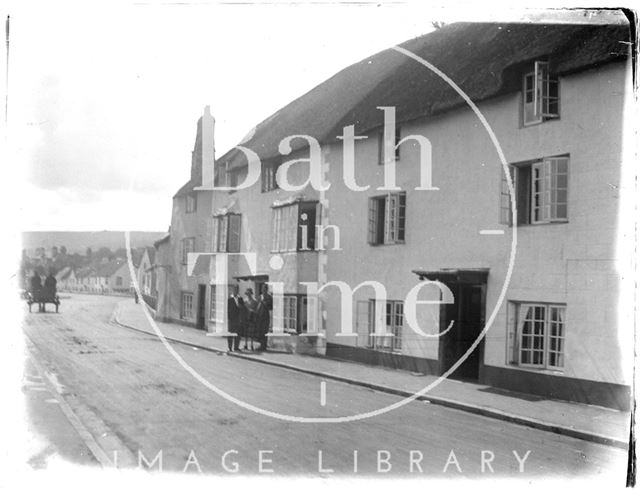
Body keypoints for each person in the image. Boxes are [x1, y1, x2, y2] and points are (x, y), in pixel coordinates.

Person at [226, 285, 245, 352]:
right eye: (234, 290)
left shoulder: (240, 299)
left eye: (237, 290)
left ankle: (236, 347)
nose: (235, 291)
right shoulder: (230, 299)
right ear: (233, 291)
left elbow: (243, 308)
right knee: (230, 333)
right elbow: (227, 309)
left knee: (238, 334)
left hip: (238, 319)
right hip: (231, 319)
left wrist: (241, 307)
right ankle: (230, 347)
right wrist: (228, 318)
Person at [255, 284, 273, 351]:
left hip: (265, 316)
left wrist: (265, 303)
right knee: (260, 331)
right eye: (262, 289)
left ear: (266, 289)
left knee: (264, 331)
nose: (263, 290)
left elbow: (271, 307)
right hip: (259, 316)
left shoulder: (269, 297)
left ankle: (264, 346)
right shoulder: (260, 297)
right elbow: (257, 305)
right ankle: (261, 345)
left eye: (264, 289)